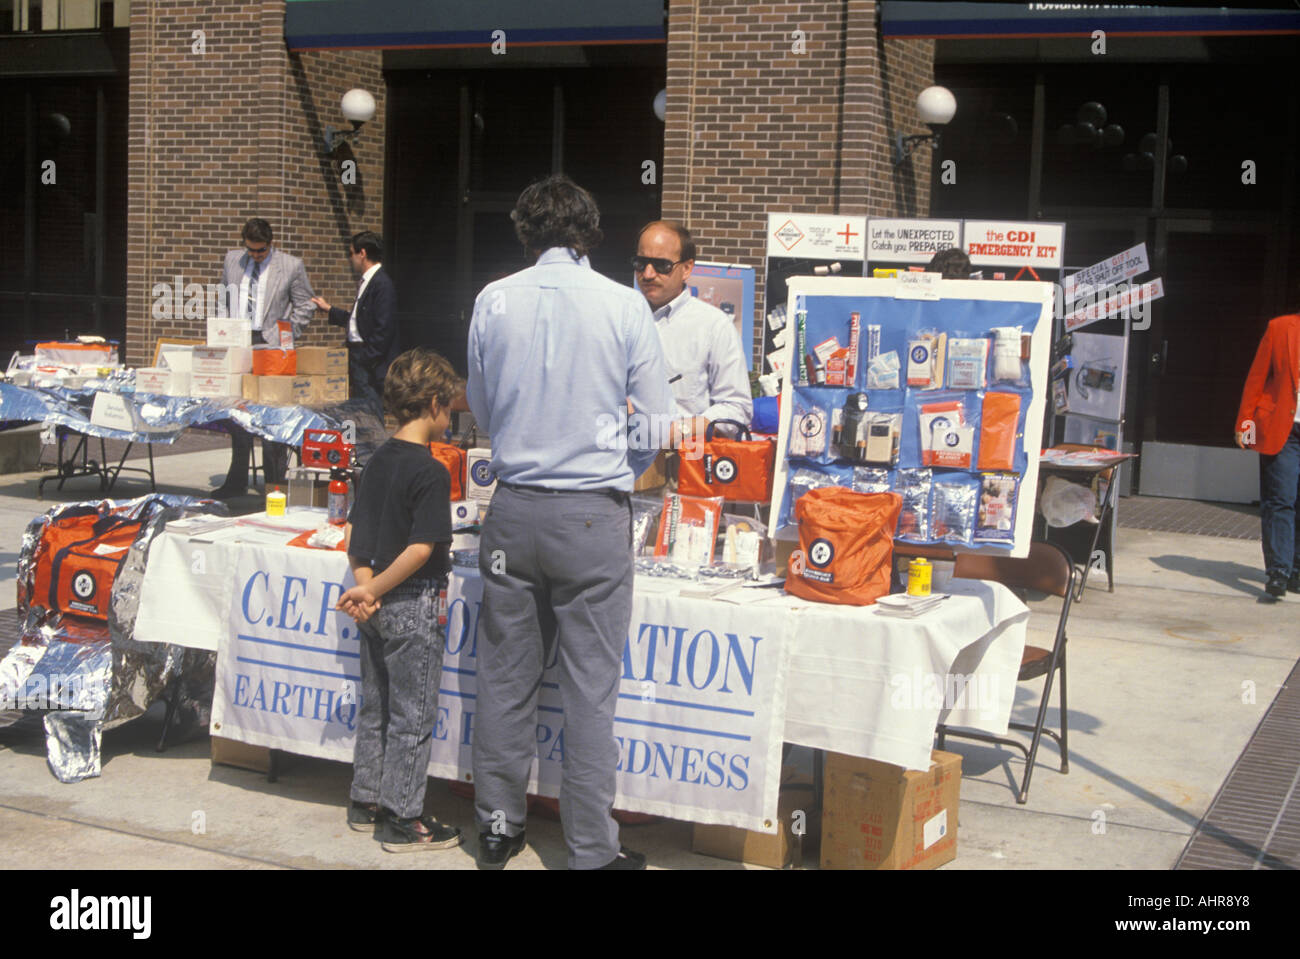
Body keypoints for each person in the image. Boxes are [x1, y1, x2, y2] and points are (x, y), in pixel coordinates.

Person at [466, 174, 675, 871]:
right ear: (588, 234)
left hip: (516, 504)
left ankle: (497, 826)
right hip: (591, 513)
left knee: (504, 675)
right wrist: (619, 462)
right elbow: (654, 424)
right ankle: (591, 849)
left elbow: (484, 409)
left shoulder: (494, 299)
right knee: (590, 690)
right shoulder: (623, 305)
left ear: (526, 232)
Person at [336, 346, 463, 852]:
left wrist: (366, 587)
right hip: (411, 601)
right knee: (412, 715)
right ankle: (403, 816)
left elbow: (356, 536)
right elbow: (421, 548)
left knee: (377, 705)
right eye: (450, 405)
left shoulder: (377, 460)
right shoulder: (429, 471)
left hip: (375, 604)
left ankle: (366, 799)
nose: (451, 414)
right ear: (433, 403)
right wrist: (374, 589)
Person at [212, 218, 315, 498]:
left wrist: (286, 334)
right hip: (239, 341)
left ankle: (274, 485)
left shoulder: (291, 266)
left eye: (260, 251)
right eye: (251, 250)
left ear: (271, 244)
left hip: (270, 345)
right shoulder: (233, 260)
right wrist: (223, 328)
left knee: (271, 416)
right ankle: (236, 480)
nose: (255, 255)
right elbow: (223, 296)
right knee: (239, 414)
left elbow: (305, 304)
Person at [633, 220, 752, 448]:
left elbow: (737, 408)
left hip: (682, 471)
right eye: (640, 263)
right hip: (618, 470)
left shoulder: (713, 326)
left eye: (661, 265)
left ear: (687, 268)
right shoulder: (617, 319)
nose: (648, 274)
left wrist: (677, 432)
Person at [1235, 309, 1300, 598]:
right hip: (1283, 429)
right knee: (1280, 499)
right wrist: (1245, 423)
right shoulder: (1280, 327)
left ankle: (1296, 571)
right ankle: (1278, 571)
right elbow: (1257, 378)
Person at [311, 230, 398, 421]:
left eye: (351, 253)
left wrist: (367, 359)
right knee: (359, 413)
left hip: (368, 361)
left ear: (363, 253)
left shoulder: (381, 284)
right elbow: (358, 321)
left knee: (369, 413)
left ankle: (372, 449)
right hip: (359, 357)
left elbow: (384, 328)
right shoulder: (368, 282)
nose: (350, 259)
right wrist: (329, 309)